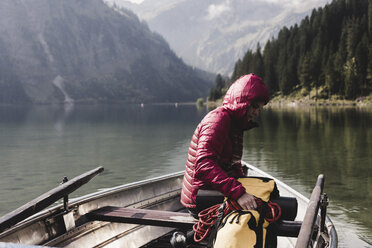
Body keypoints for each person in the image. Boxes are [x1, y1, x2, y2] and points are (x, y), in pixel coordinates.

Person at [180, 73, 270, 216]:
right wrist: (239, 193)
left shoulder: (236, 124)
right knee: (266, 208)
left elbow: (233, 165)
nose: (257, 112)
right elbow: (204, 165)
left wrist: (244, 184)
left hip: (213, 189)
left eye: (260, 108)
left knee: (269, 191)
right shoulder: (218, 120)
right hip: (200, 196)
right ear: (242, 102)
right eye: (254, 106)